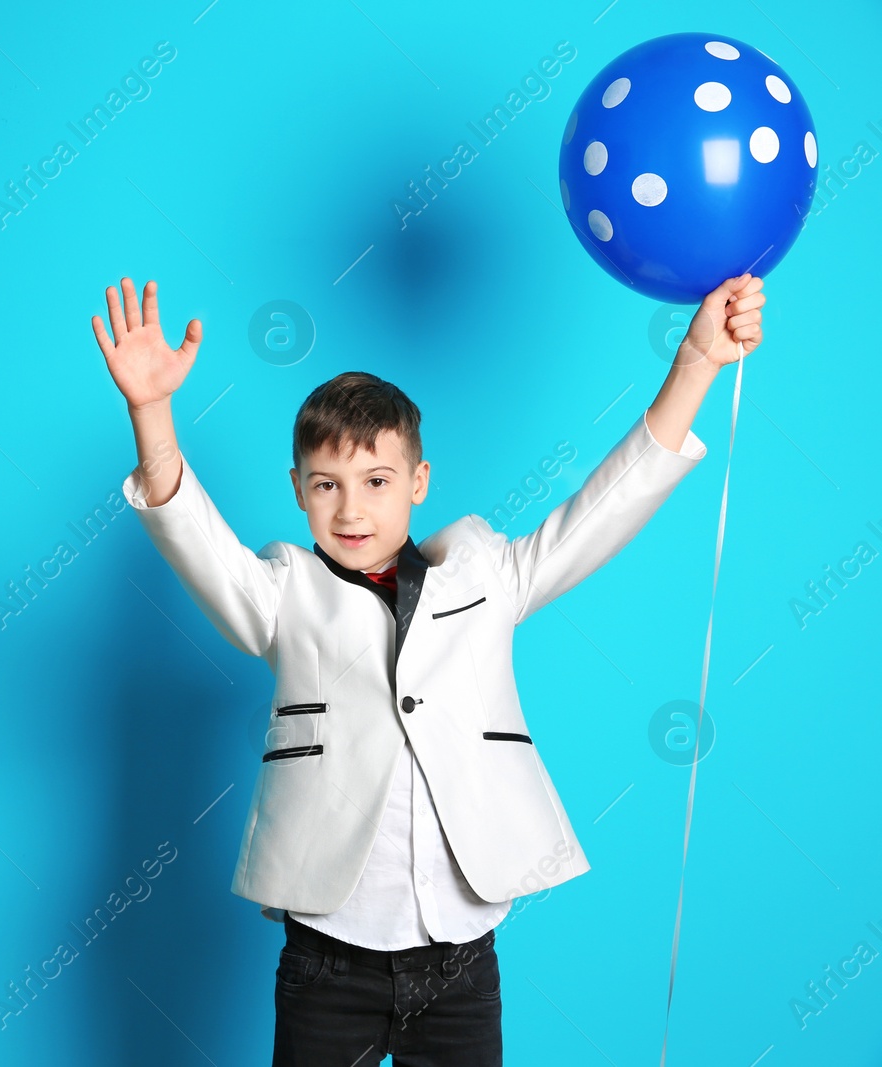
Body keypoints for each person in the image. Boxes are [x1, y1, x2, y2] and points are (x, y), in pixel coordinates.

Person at [89, 273, 764, 1065]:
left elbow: (604, 508)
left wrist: (696, 364)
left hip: (460, 956)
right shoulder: (282, 593)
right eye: (327, 486)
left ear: (418, 483)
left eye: (376, 482)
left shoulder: (487, 573)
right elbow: (193, 539)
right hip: (326, 954)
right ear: (298, 492)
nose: (351, 509)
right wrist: (151, 412)